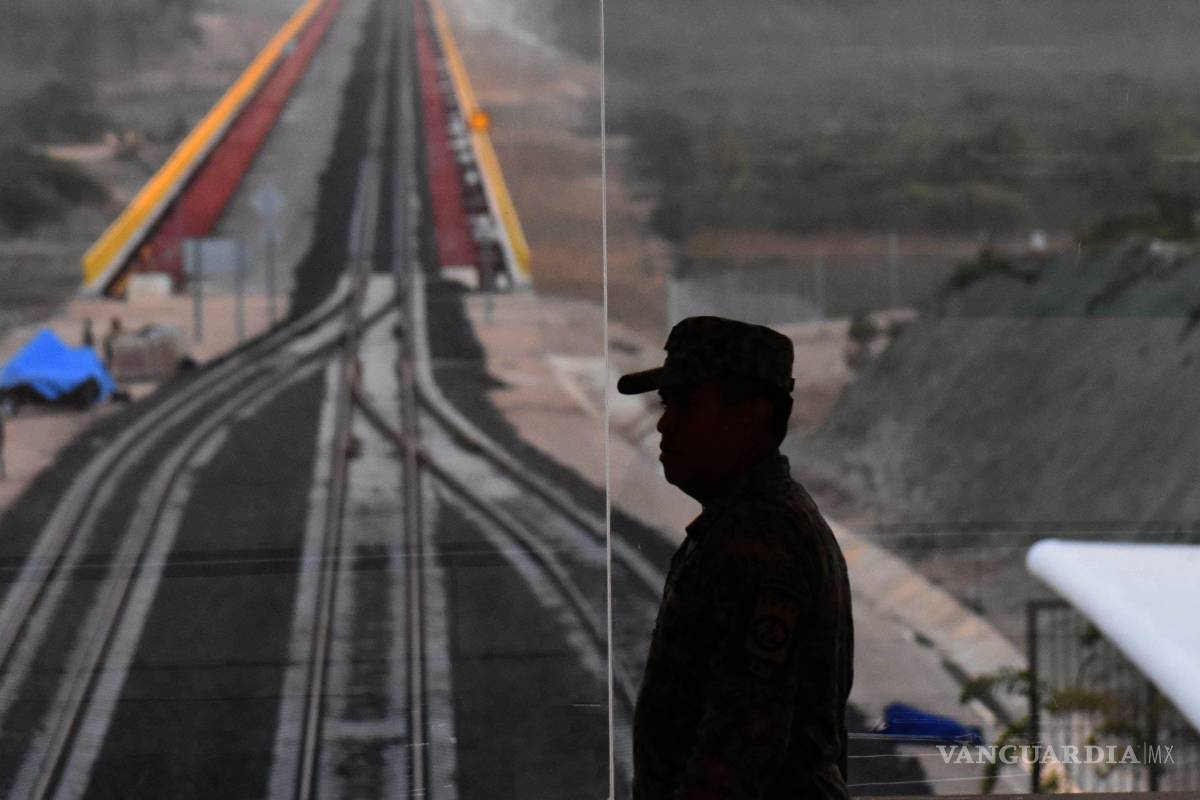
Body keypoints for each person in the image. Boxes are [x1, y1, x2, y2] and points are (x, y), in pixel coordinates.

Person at [618, 315, 854, 800]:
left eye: (685, 404)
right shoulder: (745, 526)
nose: (664, 423)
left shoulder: (761, 544)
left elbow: (738, 756)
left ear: (752, 414)